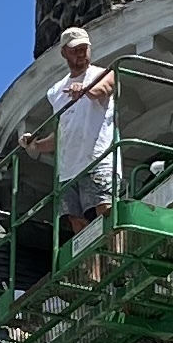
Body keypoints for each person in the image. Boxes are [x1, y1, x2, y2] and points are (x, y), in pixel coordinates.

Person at [50, 26, 119, 235]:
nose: (81, 53)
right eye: (75, 49)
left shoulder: (103, 74)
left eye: (84, 48)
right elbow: (61, 131)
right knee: (77, 222)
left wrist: (85, 90)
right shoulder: (55, 91)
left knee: (105, 210)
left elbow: (104, 90)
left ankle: (114, 256)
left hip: (97, 159)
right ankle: (94, 267)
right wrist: (33, 143)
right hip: (69, 168)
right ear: (64, 53)